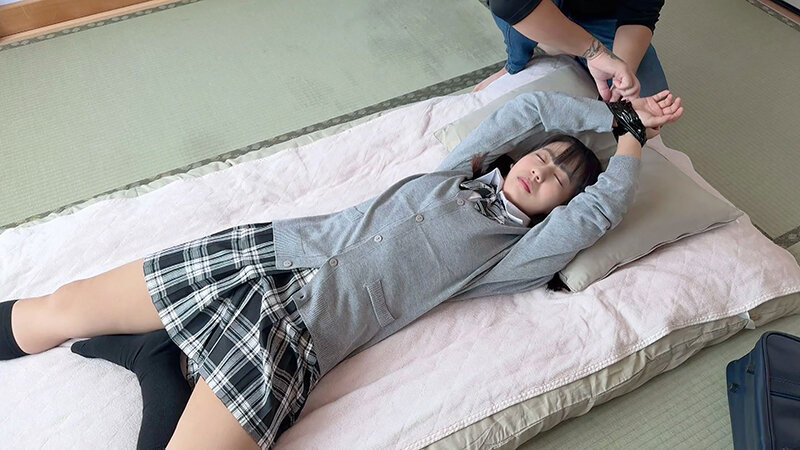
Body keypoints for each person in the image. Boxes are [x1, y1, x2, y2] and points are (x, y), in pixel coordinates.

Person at [0, 90, 683, 449]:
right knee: (56, 310)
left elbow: (600, 212)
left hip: (295, 337)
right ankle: (158, 354)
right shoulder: (457, 171)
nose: (545, 169)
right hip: (263, 255)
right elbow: (529, 111)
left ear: (560, 207)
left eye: (563, 178)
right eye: (548, 155)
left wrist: (631, 140)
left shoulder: (512, 258)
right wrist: (611, 113)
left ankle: (158, 360)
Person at [475, 0, 668, 101]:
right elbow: (509, 4)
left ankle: (563, 41)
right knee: (517, 15)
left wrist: (621, 77)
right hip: (540, 6)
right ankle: (516, 62)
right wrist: (595, 53)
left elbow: (641, 15)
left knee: (650, 105)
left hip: (603, 15)